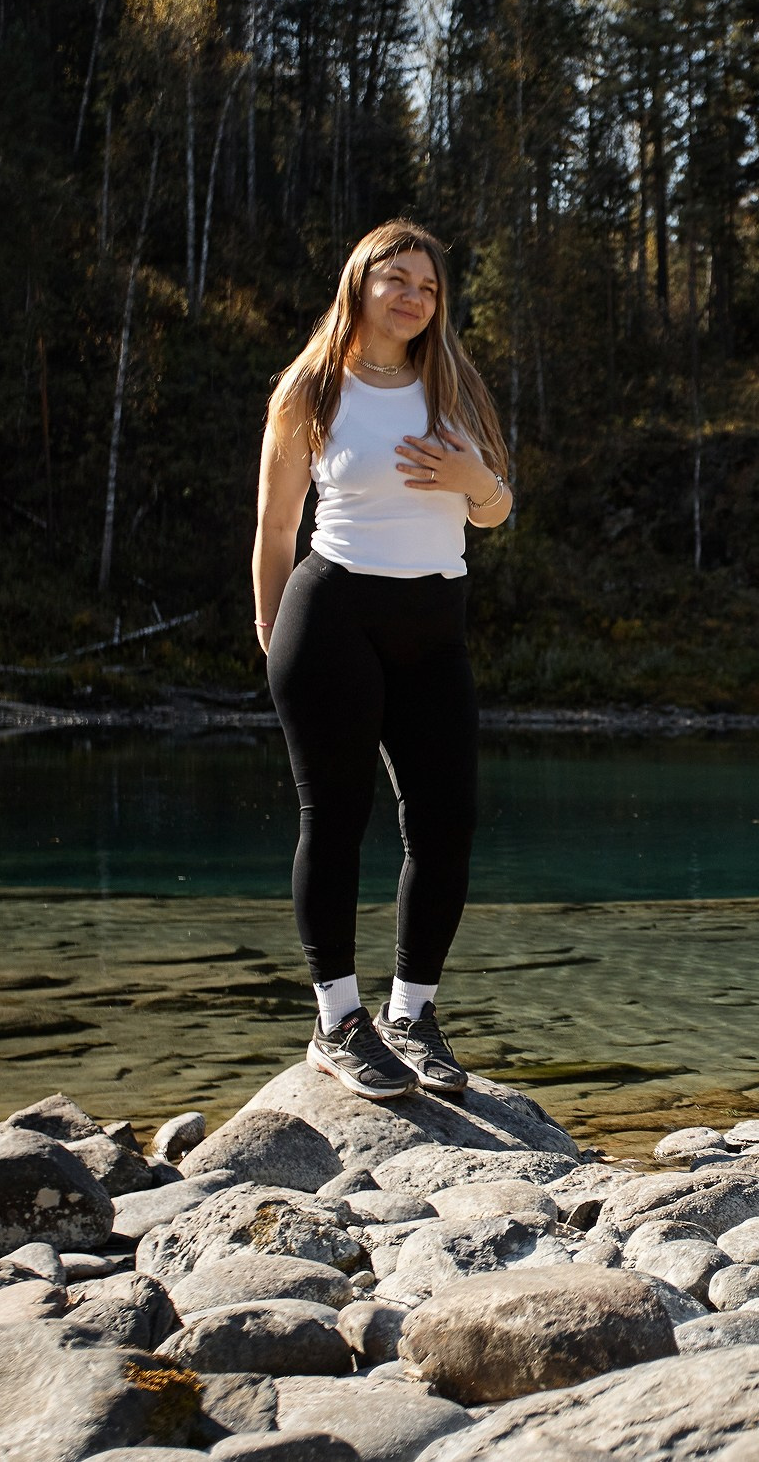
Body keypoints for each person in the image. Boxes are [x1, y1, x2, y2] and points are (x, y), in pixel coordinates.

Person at [251, 219, 513, 1101]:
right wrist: (269, 626)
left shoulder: (454, 385)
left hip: (434, 625)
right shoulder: (312, 388)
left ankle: (412, 1015)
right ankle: (336, 1020)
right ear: (359, 283)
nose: (413, 296)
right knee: (335, 816)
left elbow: (496, 508)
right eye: (397, 278)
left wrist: (473, 481)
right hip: (334, 615)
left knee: (447, 821)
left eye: (428, 286)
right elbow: (276, 527)